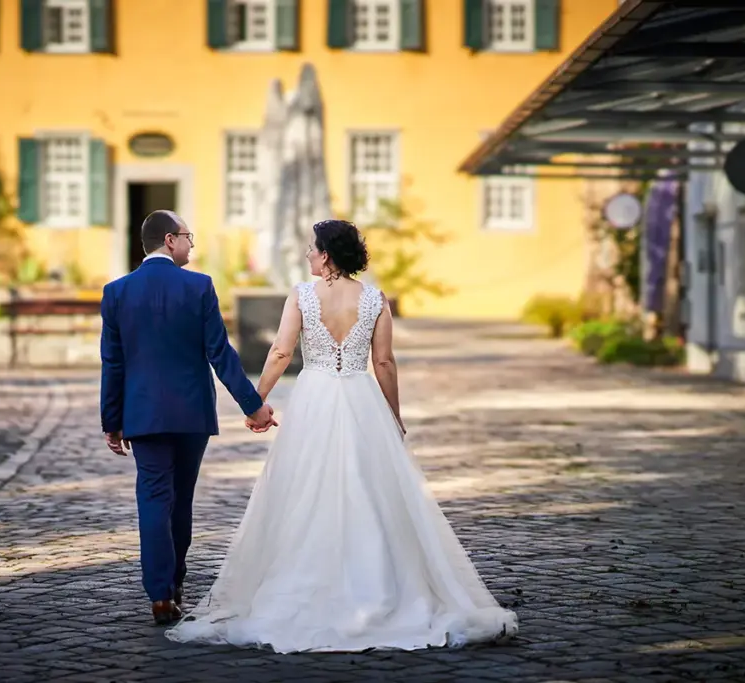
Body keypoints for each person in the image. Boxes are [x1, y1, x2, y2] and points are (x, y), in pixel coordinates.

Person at [165, 219, 518, 653]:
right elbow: (384, 362)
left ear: (327, 255)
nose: (308, 255)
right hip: (361, 399)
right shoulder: (374, 299)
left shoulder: (301, 295)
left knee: (305, 491)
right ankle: (380, 585)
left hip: (314, 399)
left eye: (312, 249)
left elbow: (281, 351)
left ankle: (306, 582)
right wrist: (394, 415)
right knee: (370, 490)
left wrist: (256, 401)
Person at [100, 209, 278, 626]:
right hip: (191, 413)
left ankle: (161, 595)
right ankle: (175, 583)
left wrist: (112, 420)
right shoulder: (199, 286)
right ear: (169, 240)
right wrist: (253, 405)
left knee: (153, 498)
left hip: (143, 413)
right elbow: (220, 353)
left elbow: (113, 362)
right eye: (187, 237)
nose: (191, 244)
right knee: (181, 499)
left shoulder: (117, 292)